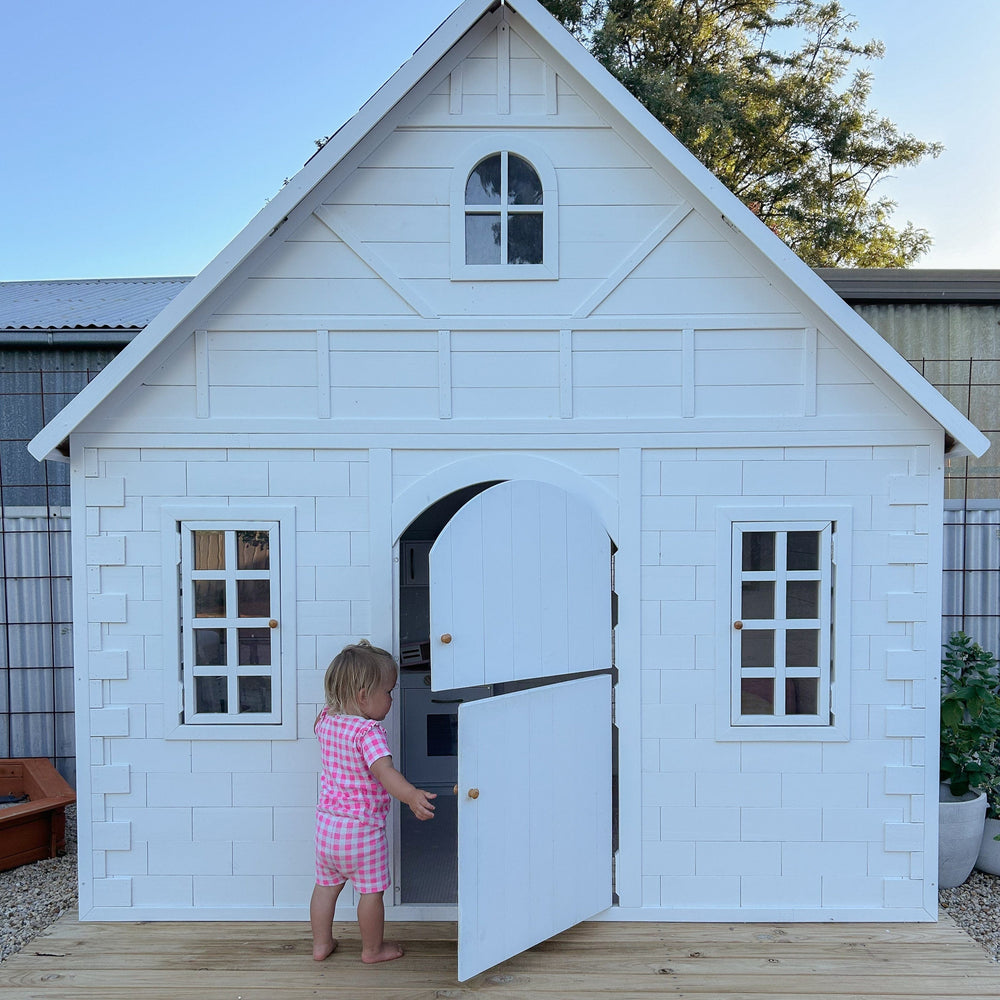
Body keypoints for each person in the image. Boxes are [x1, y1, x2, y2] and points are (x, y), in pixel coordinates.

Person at [310, 639, 437, 964]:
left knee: (326, 889)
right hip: (361, 833)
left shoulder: (325, 721)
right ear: (364, 696)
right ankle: (372, 949)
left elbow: (330, 711)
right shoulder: (368, 733)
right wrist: (411, 795)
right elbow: (384, 772)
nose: (392, 699)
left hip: (327, 830)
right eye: (389, 692)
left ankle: (321, 944)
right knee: (371, 893)